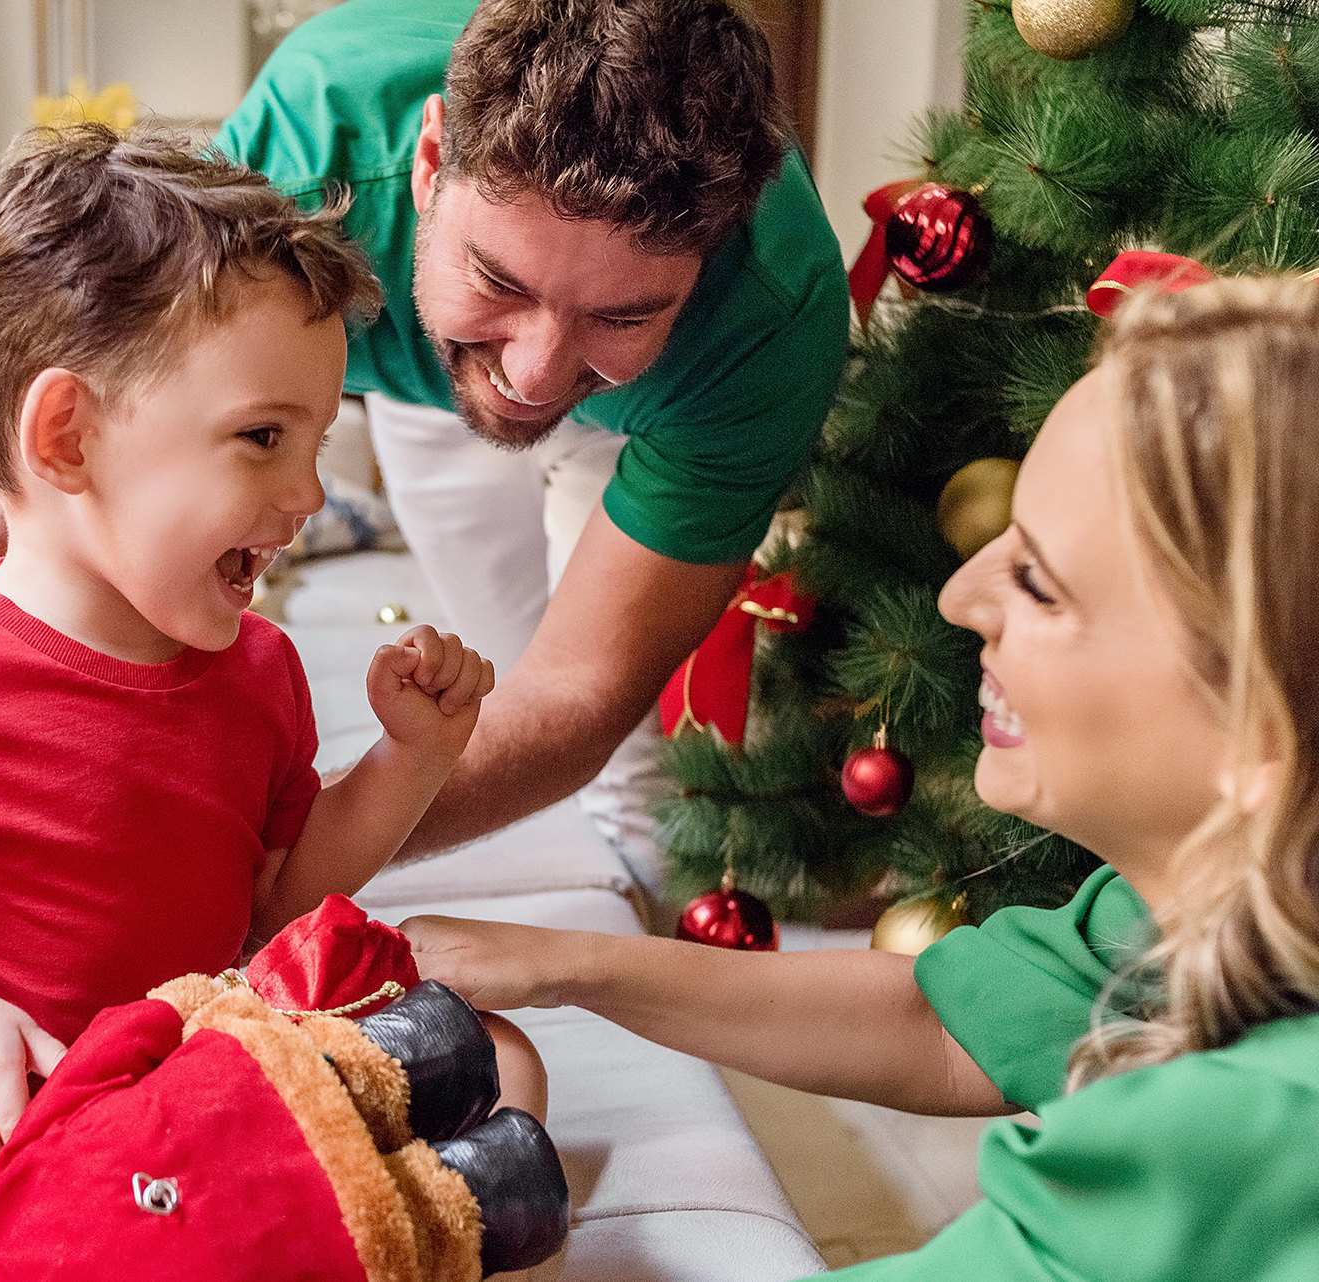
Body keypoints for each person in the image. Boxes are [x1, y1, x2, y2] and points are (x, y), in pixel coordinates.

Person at [0, 0, 847, 1158]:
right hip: (399, 347)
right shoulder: (313, 144)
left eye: (621, 311)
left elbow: (574, 692)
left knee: (513, 1005)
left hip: (638, 414)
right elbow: (66, 429)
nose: (537, 372)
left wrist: (344, 789)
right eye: (501, 278)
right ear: (431, 163)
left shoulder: (771, 314)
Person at [404, 275, 1319, 1279]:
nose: (964, 595)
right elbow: (944, 1024)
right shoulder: (1196, 907)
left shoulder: (1229, 1134)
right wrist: (561, 964)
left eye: (1038, 582)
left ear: (1254, 734)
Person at [0, 125, 529, 1282]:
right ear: (65, 437)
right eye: (263, 438)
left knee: (501, 1066)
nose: (309, 493)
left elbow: (271, 905)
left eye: (315, 440)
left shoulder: (257, 671)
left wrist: (411, 758)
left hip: (212, 1097)